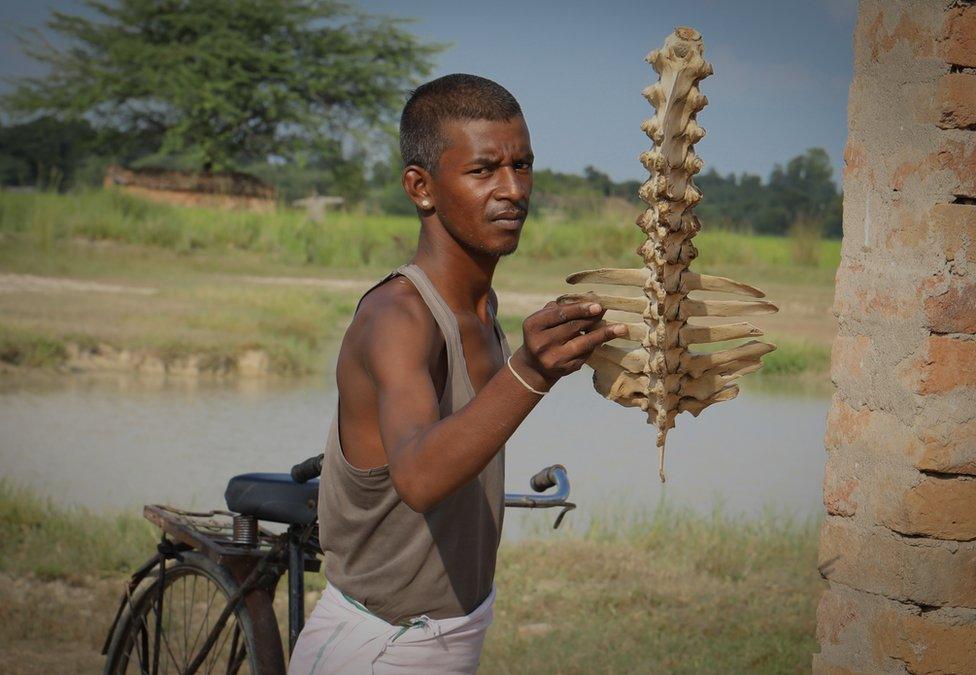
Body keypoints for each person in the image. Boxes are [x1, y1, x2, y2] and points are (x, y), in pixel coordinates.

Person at [288, 74, 625, 674]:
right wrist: (530, 371)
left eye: (522, 166)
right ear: (421, 188)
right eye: (483, 170)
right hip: (380, 646)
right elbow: (418, 478)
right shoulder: (397, 317)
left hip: (456, 629)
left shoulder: (482, 306)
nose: (513, 190)